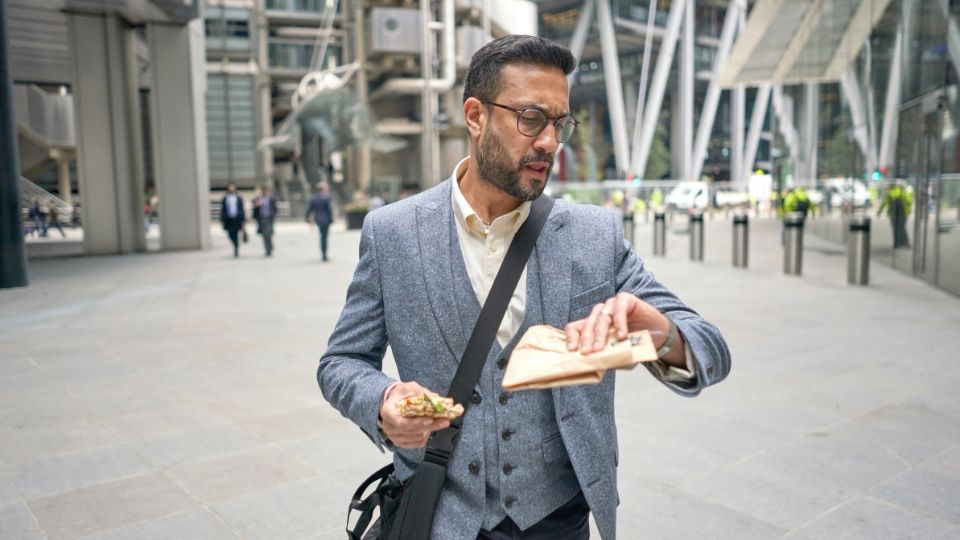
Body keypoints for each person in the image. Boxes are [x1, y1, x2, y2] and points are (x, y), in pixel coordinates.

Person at [317, 35, 730, 539]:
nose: (550, 142)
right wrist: (383, 402)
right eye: (531, 118)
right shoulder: (393, 234)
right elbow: (341, 362)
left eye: (560, 123)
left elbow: (710, 348)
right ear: (476, 116)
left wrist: (660, 331)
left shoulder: (593, 235)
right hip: (439, 517)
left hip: (558, 521)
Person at [877, 181, 913, 249]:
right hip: (903, 213)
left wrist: (879, 212)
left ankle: (896, 244)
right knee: (903, 228)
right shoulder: (902, 191)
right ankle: (906, 243)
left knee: (894, 228)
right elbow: (908, 201)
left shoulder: (889, 192)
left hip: (892, 213)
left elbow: (884, 202)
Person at [305, 182, 333, 261]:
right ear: (323, 189)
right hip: (326, 220)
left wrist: (306, 217)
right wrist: (331, 219)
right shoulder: (326, 198)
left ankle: (323, 253)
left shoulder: (313, 198)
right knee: (324, 237)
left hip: (318, 220)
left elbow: (309, 209)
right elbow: (329, 210)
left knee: (322, 236)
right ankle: (324, 254)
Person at [220, 182, 246, 258]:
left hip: (237, 219)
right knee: (230, 234)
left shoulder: (238, 198)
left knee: (236, 233)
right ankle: (235, 244)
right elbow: (223, 209)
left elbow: (241, 208)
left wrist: (243, 218)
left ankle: (236, 248)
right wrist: (222, 218)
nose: (231, 188)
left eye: (233, 187)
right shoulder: (225, 198)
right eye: (230, 187)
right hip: (228, 219)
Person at [252, 184, 278, 257]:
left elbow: (275, 208)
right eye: (263, 191)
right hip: (261, 219)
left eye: (266, 191)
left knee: (269, 233)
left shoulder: (271, 199)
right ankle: (267, 249)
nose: (264, 192)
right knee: (264, 235)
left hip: (269, 219)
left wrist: (273, 216)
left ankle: (269, 246)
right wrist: (257, 206)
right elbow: (254, 209)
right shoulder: (258, 199)